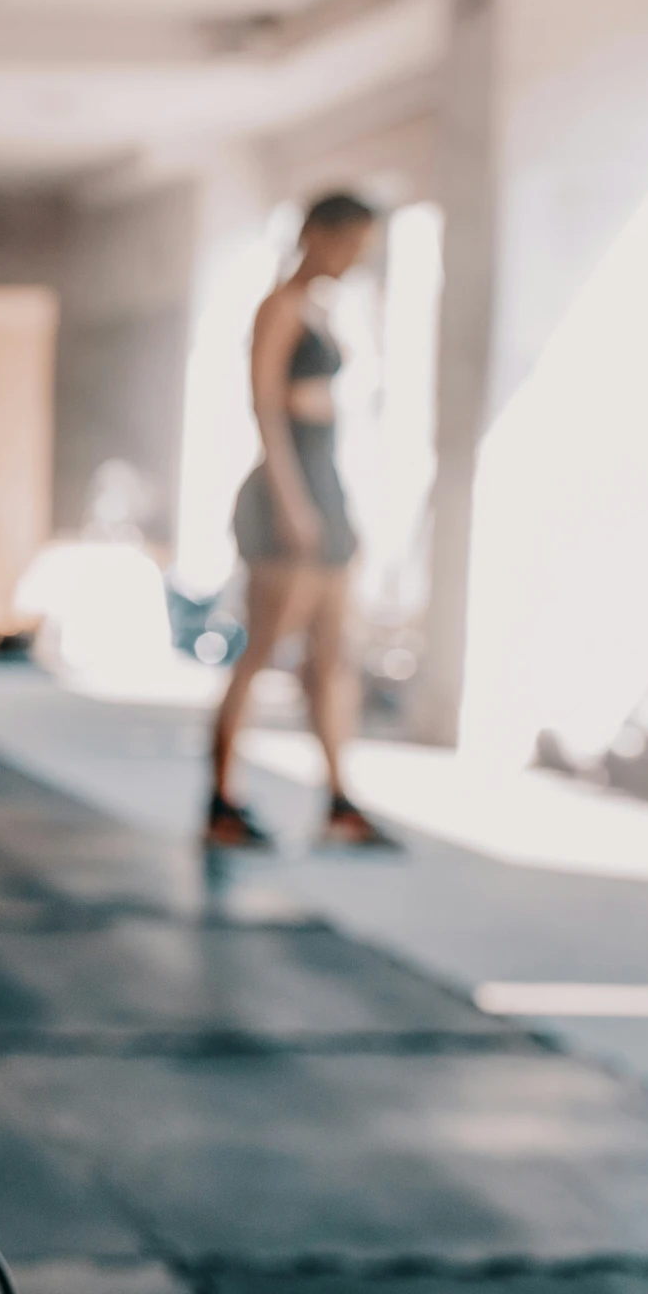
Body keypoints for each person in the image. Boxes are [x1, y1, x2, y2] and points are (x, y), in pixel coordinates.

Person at [208, 192, 399, 850]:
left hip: (326, 480)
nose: (354, 259)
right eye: (348, 244)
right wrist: (293, 501)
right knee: (263, 649)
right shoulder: (279, 307)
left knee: (332, 656)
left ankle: (340, 799)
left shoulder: (321, 309)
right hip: (288, 486)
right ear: (316, 234)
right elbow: (264, 405)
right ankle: (221, 800)